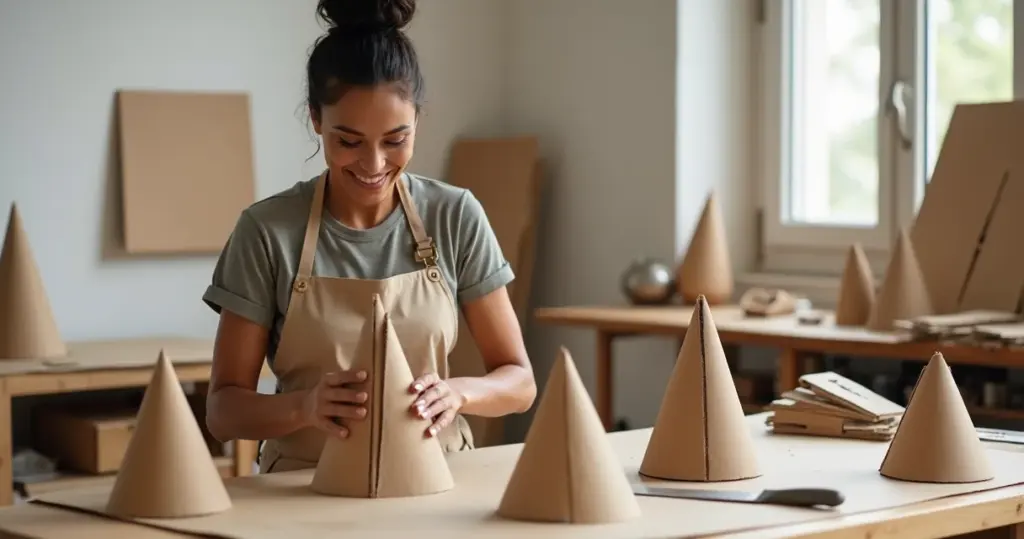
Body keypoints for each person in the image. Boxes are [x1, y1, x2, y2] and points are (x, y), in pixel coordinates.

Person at [202, 0, 537, 473]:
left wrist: (459, 392)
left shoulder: (455, 215)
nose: (375, 164)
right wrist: (305, 406)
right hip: (303, 492)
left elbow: (520, 382)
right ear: (316, 120)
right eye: (349, 141)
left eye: (395, 140)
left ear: (418, 119)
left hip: (436, 484)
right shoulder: (267, 232)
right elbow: (222, 412)